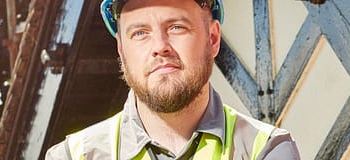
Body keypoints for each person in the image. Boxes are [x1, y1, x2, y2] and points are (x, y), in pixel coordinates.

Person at [45, 0, 299, 159]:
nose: (160, 46)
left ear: (212, 39)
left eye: (176, 27)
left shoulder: (267, 149)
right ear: (121, 51)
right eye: (140, 33)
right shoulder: (73, 155)